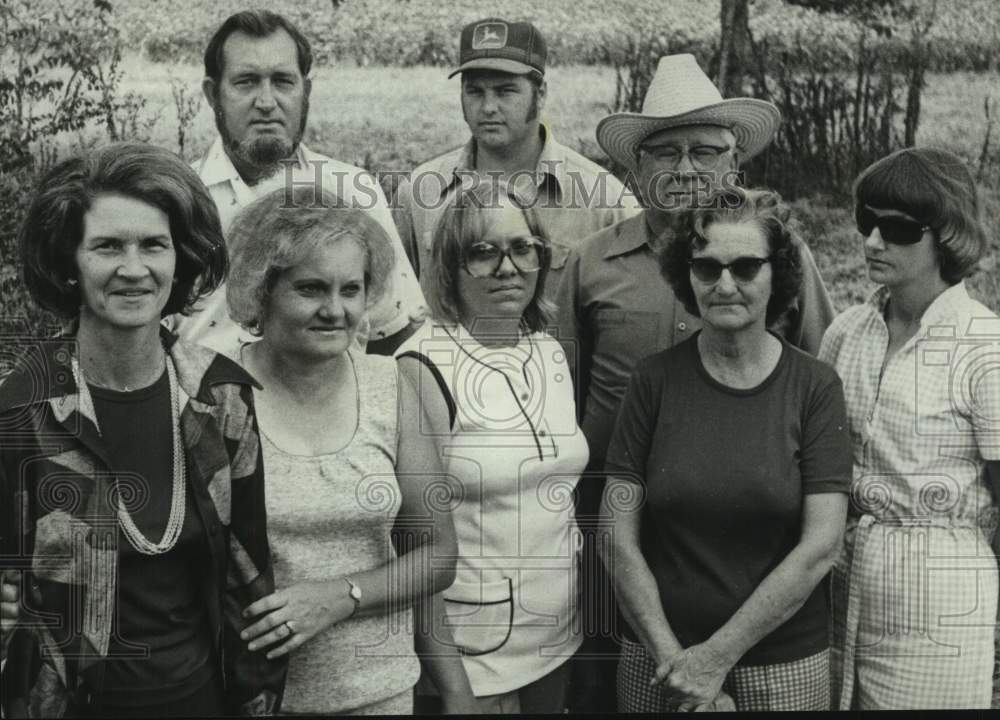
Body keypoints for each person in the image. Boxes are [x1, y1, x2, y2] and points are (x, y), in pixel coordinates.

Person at [553, 53, 838, 711]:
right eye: (666, 153)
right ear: (637, 167)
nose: (686, 170)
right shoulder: (590, 264)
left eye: (705, 153)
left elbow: (817, 371)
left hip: (751, 527)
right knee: (610, 681)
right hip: (617, 522)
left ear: (733, 165)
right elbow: (562, 395)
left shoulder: (781, 256)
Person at [0, 142, 285, 717]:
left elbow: (249, 582)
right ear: (68, 263)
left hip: (202, 700)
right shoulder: (21, 409)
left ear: (180, 260)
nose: (134, 268)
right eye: (107, 246)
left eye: (153, 245)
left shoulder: (221, 398)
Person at [600, 188, 851, 712]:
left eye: (745, 267)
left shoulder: (815, 386)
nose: (726, 285)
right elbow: (615, 538)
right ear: (686, 275)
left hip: (783, 666)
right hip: (659, 660)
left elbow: (821, 546)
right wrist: (677, 664)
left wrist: (715, 659)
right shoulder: (653, 381)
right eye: (708, 268)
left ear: (777, 274)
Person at [223, 186, 460, 715]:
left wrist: (340, 596)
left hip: (381, 693)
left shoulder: (389, 385)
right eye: (310, 288)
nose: (335, 310)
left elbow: (439, 557)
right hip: (255, 699)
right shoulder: (218, 395)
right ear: (262, 290)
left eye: (351, 289)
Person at [394, 179, 589, 713]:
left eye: (522, 248)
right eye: (483, 252)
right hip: (474, 655)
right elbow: (416, 546)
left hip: (556, 636)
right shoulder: (423, 366)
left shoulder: (548, 350)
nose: (508, 268)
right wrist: (453, 688)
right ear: (450, 267)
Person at [819, 148, 1000, 709]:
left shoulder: (983, 346)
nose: (873, 242)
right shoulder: (848, 332)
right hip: (843, 581)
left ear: (948, 235)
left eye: (896, 229)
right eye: (866, 223)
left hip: (939, 600)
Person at [171, 9, 426, 358]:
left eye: (282, 81)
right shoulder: (177, 199)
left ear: (305, 91)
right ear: (213, 94)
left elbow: (397, 330)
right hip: (204, 408)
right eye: (246, 81)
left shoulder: (352, 192)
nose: (266, 102)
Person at [392, 17, 640, 310]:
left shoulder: (606, 202)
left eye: (505, 91)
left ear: (541, 94)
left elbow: (628, 318)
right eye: (475, 91)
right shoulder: (421, 193)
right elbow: (393, 306)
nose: (488, 107)